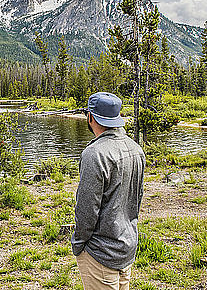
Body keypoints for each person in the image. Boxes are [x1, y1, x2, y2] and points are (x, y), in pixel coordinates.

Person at [72, 92, 145, 290]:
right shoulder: (136, 149)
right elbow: (136, 200)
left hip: (100, 252)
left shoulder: (94, 154)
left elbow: (87, 208)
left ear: (90, 117)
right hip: (126, 245)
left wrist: (78, 244)